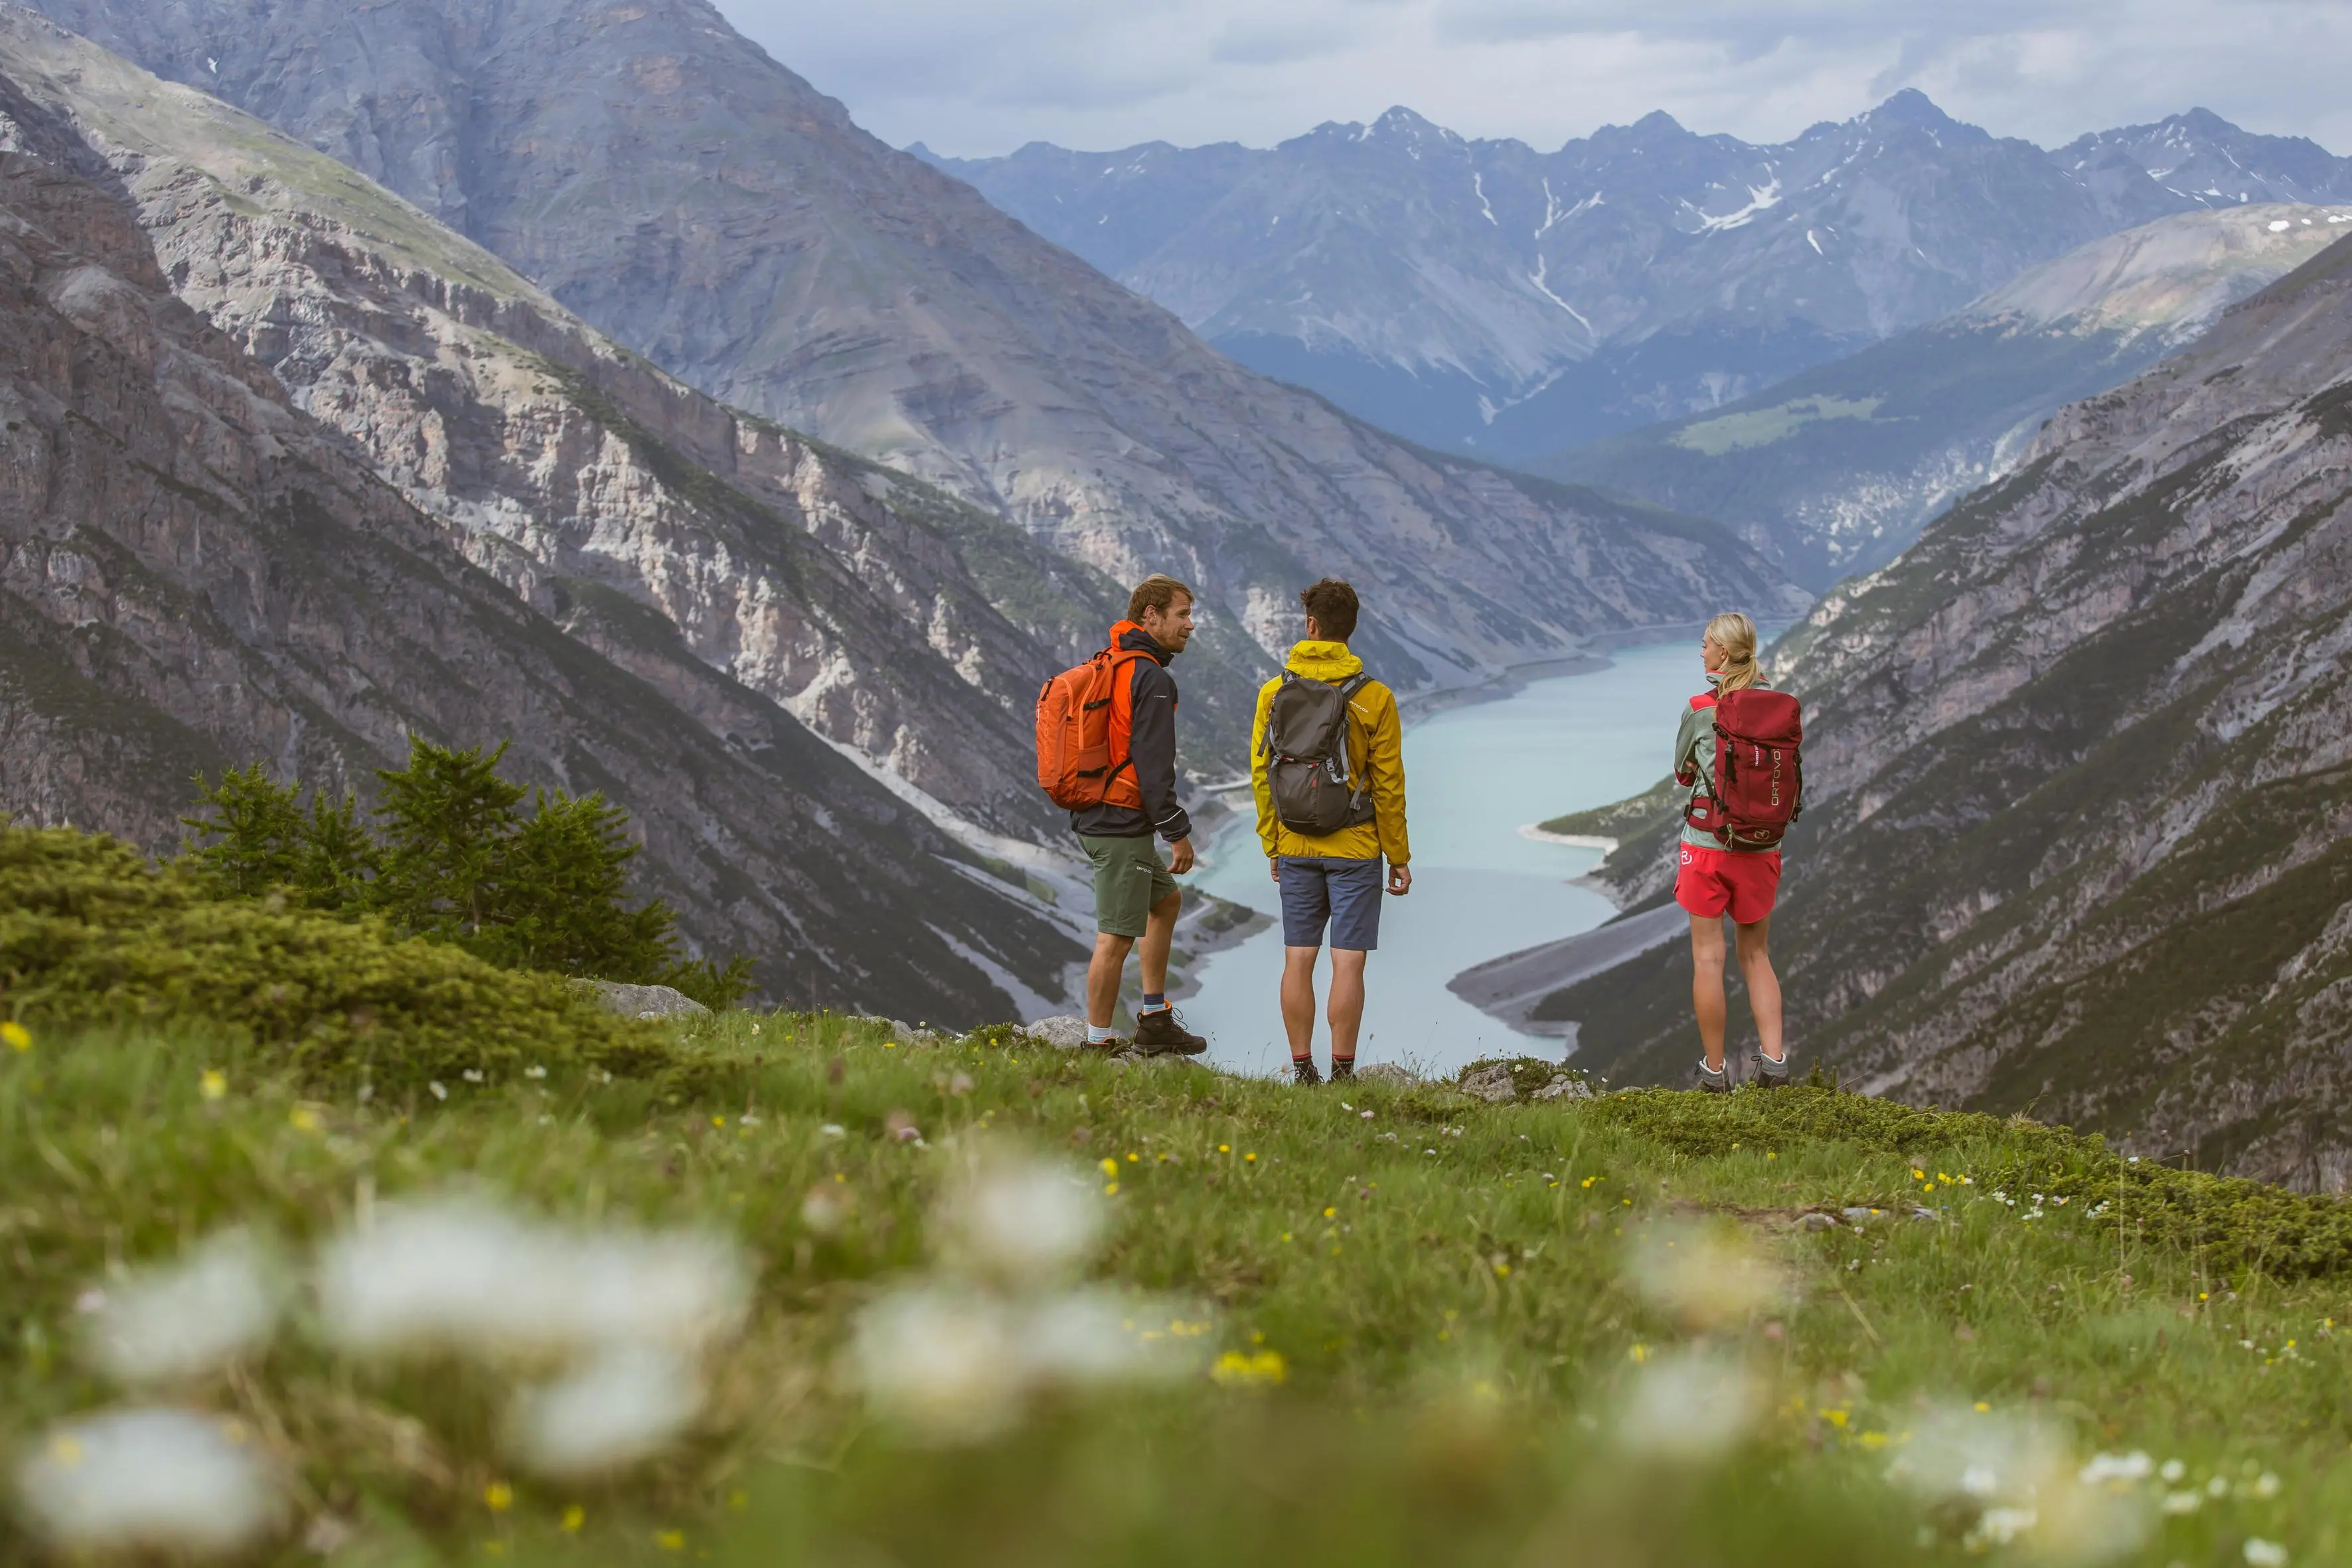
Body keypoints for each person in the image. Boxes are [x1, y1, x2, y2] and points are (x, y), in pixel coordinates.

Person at [1250, 578, 1411, 1085]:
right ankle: (1343, 1072)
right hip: (1357, 847)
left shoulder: (1273, 692)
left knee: (1298, 959)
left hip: (1295, 842)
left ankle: (1302, 1070)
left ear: (1310, 625)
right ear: (1352, 629)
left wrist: (1272, 844)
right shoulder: (1375, 698)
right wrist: (1399, 856)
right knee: (1348, 964)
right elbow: (1388, 785)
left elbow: (1261, 775)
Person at [1071, 576, 1208, 1056]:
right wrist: (1178, 832)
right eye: (1182, 614)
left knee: (1164, 902)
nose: (1190, 625)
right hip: (1120, 825)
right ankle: (1097, 1045)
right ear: (1150, 616)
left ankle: (1153, 1017)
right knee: (1115, 937)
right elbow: (1152, 765)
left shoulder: (1114, 663)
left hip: (1100, 814)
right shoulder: (1150, 677)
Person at [1674, 611, 1788, 1092]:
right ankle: (1775, 1062)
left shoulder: (1701, 707)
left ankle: (1714, 1073)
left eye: (1704, 645)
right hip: (1763, 845)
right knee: (1756, 955)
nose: (1700, 652)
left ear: (1721, 652)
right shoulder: (1777, 705)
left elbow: (1682, 772)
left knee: (1707, 958)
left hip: (1708, 848)